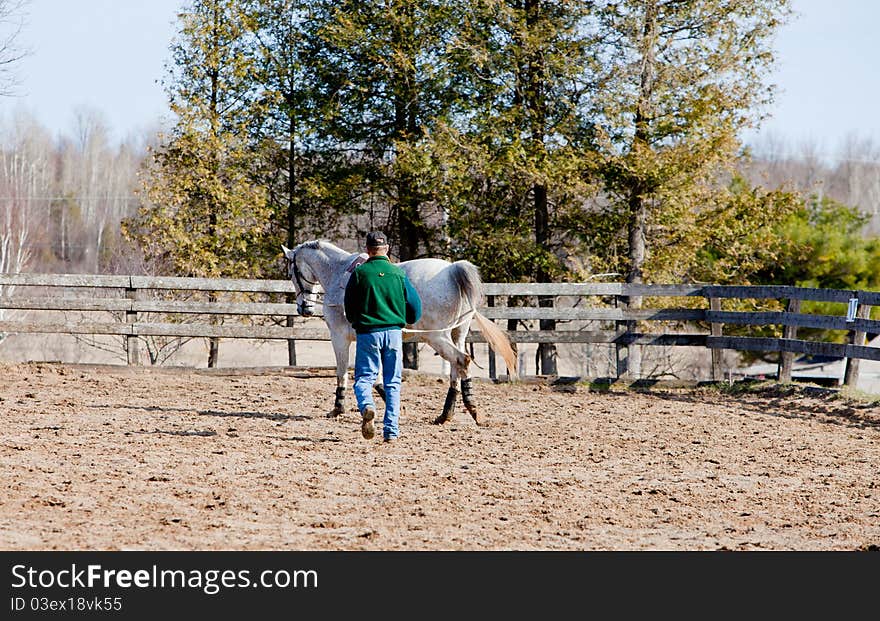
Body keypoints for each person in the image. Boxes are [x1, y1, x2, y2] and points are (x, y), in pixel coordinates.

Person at [344, 231, 422, 442]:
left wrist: (356, 321)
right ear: (386, 249)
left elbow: (349, 306)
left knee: (364, 378)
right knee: (392, 382)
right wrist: (406, 319)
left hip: (368, 333)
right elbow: (415, 306)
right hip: (394, 334)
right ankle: (391, 431)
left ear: (367, 250)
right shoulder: (398, 273)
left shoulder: (359, 274)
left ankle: (368, 405)